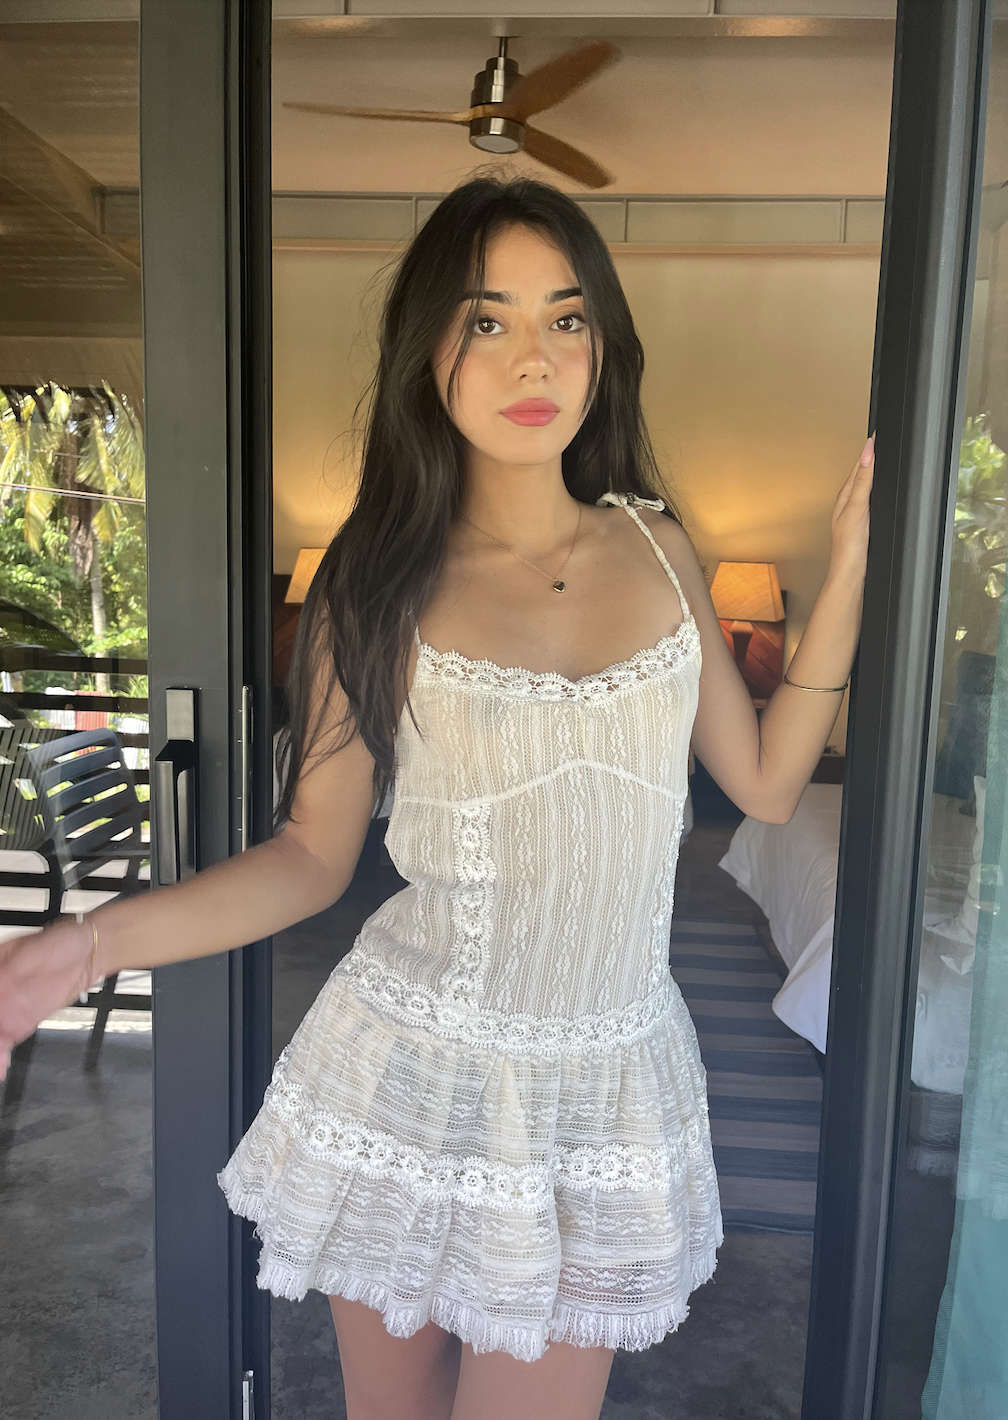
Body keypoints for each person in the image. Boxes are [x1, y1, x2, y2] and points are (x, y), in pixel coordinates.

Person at [0, 177, 872, 1420]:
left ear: (603, 345)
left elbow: (771, 785)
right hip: (413, 1071)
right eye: (489, 319)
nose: (536, 357)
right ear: (430, 349)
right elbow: (310, 855)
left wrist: (845, 576)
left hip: (602, 1084)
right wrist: (80, 947)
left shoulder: (661, 547)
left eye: (566, 319)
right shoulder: (379, 580)